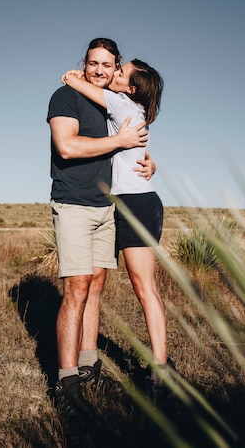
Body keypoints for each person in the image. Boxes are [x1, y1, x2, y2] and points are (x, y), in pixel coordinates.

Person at [47, 38, 155, 418]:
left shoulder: (108, 101)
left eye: (106, 65)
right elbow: (66, 147)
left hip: (105, 208)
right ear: (85, 63)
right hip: (74, 204)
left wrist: (147, 161)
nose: (97, 69)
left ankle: (89, 367)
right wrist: (118, 140)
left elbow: (130, 146)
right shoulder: (66, 97)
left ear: (116, 69)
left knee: (94, 288)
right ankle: (66, 380)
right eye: (92, 63)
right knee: (76, 289)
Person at [62, 57, 172, 405]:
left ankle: (160, 373)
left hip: (136, 205)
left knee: (144, 287)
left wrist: (72, 75)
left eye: (120, 71)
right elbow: (140, 156)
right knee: (113, 285)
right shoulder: (130, 108)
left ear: (131, 87)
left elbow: (78, 83)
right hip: (123, 204)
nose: (114, 72)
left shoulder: (120, 102)